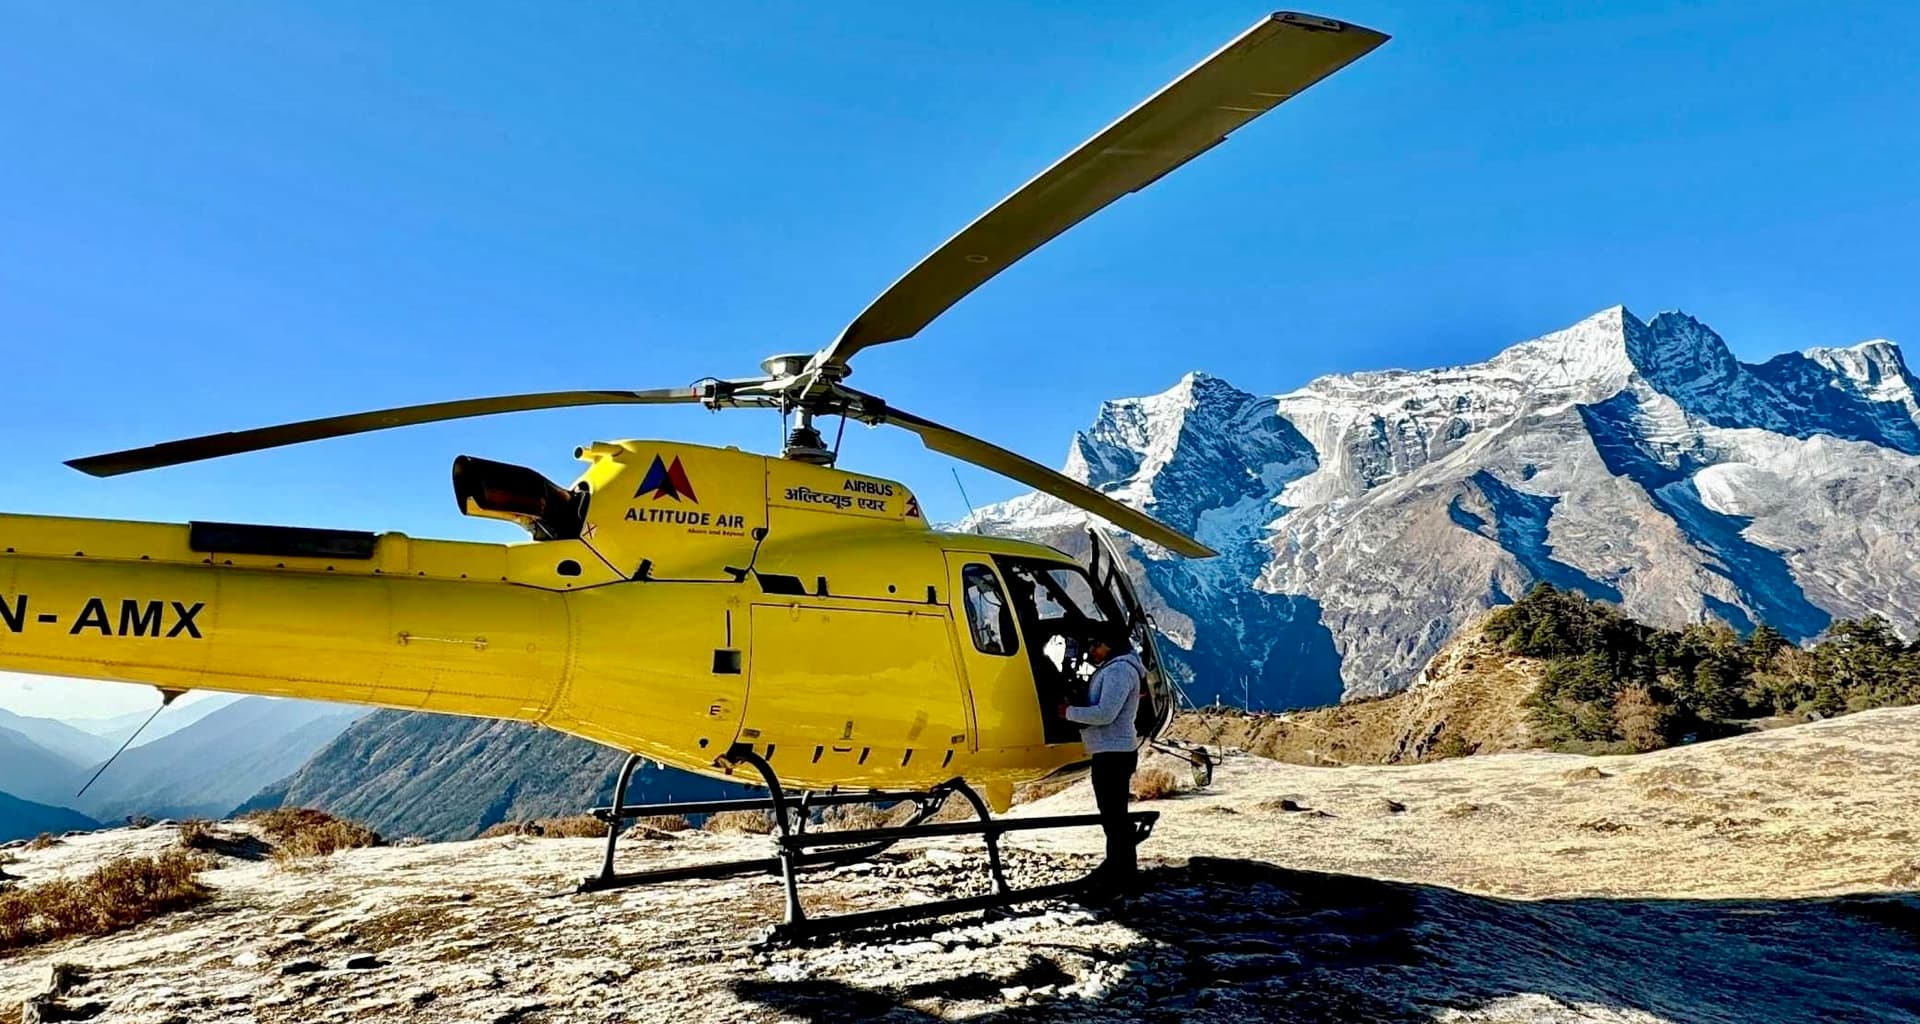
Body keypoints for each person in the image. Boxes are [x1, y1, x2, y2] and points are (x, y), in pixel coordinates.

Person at [1057, 626, 1145, 897]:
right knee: (1114, 816)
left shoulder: (1119, 671)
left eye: (1097, 645)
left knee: (1114, 817)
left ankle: (1120, 872)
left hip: (1113, 753)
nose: (1092, 650)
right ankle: (1120, 869)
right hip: (1112, 751)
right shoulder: (1120, 668)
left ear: (1111, 645)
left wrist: (1068, 712)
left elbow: (1105, 714)